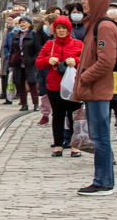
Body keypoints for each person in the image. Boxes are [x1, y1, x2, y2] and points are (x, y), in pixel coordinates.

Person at [73, 0, 117, 195]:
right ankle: (103, 180)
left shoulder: (104, 27)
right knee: (98, 137)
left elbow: (106, 61)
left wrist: (85, 77)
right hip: (93, 90)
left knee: (100, 137)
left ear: (96, 1)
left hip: (97, 90)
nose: (83, 2)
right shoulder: (93, 25)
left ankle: (103, 182)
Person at [36, 15, 84, 158]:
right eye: (58, 28)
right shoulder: (49, 45)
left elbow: (86, 60)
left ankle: (75, 145)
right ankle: (58, 144)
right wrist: (47, 60)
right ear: (54, 30)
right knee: (57, 115)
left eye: (64, 28)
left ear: (69, 29)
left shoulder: (77, 44)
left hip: (72, 85)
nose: (61, 31)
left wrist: (75, 60)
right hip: (54, 85)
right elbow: (38, 62)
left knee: (74, 114)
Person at [7, 16, 38, 111]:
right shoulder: (16, 35)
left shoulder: (33, 35)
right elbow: (12, 50)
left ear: (30, 24)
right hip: (18, 63)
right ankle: (24, 104)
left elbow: (38, 49)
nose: (22, 24)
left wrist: (33, 59)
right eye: (21, 22)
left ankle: (36, 104)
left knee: (32, 83)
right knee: (19, 83)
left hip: (30, 63)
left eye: (24, 22)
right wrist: (10, 64)